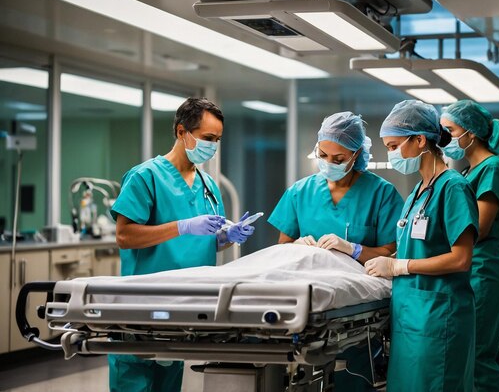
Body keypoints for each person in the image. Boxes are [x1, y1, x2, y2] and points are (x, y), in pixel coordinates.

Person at [108, 98, 256, 392]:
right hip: (145, 304)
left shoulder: (208, 185)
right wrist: (183, 226)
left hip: (185, 307)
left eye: (217, 140)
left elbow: (203, 246)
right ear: (181, 131)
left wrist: (226, 237)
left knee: (170, 380)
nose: (212, 146)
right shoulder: (145, 176)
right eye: (207, 138)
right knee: (135, 377)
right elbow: (124, 236)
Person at [268, 111, 403, 390]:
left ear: (356, 155)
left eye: (339, 159)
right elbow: (281, 246)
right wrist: (295, 244)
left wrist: (353, 249)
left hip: (354, 307)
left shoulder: (381, 193)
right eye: (323, 155)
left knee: (352, 381)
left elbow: (391, 255)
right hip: (305, 294)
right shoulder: (300, 191)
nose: (329, 163)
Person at [365, 100, 478, 392]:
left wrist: (399, 266)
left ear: (419, 140)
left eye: (393, 146)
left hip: (440, 317)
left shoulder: (452, 187)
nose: (390, 155)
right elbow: (413, 247)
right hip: (410, 316)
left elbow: (461, 259)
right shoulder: (418, 191)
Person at [440, 99, 499, 392]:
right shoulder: (467, 172)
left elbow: (479, 229)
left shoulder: (493, 168)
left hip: (484, 269)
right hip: (475, 268)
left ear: (470, 133)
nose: (444, 138)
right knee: (487, 350)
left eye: (450, 130)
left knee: (479, 353)